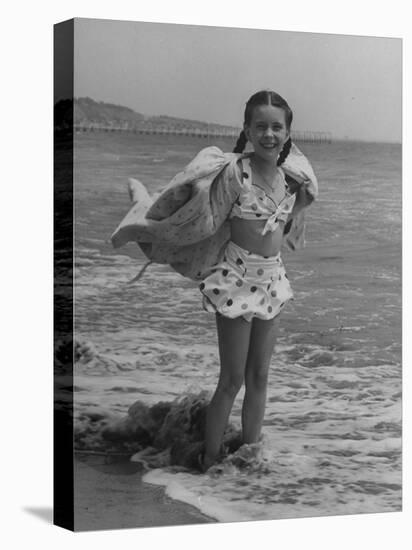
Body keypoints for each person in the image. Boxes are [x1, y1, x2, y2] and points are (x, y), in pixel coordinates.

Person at [111, 90, 318, 472]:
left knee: (260, 376)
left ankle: (250, 455)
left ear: (288, 133)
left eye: (277, 127)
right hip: (237, 281)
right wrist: (156, 228)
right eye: (261, 126)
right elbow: (199, 220)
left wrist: (301, 204)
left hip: (273, 281)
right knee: (232, 379)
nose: (269, 134)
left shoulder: (291, 181)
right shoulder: (234, 173)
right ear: (247, 129)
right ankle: (210, 460)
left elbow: (282, 226)